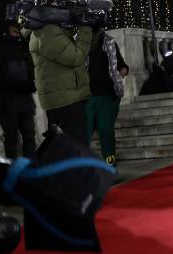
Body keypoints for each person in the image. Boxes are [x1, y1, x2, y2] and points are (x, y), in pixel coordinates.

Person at [27, 22, 92, 144]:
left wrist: (93, 29)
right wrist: (86, 28)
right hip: (66, 101)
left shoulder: (51, 29)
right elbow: (76, 57)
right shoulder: (47, 31)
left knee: (74, 150)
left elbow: (85, 48)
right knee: (77, 151)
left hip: (66, 99)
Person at [0, 23, 36, 159]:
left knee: (30, 141)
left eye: (17, 32)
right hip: (9, 107)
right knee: (12, 145)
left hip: (25, 106)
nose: (17, 35)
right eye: (13, 32)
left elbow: (30, 75)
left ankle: (31, 173)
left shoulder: (21, 52)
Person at [85, 28, 129, 166]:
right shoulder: (80, 43)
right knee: (82, 135)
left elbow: (123, 67)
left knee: (106, 135)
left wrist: (119, 74)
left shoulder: (109, 42)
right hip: (87, 97)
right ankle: (81, 170)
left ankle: (110, 166)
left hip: (107, 96)